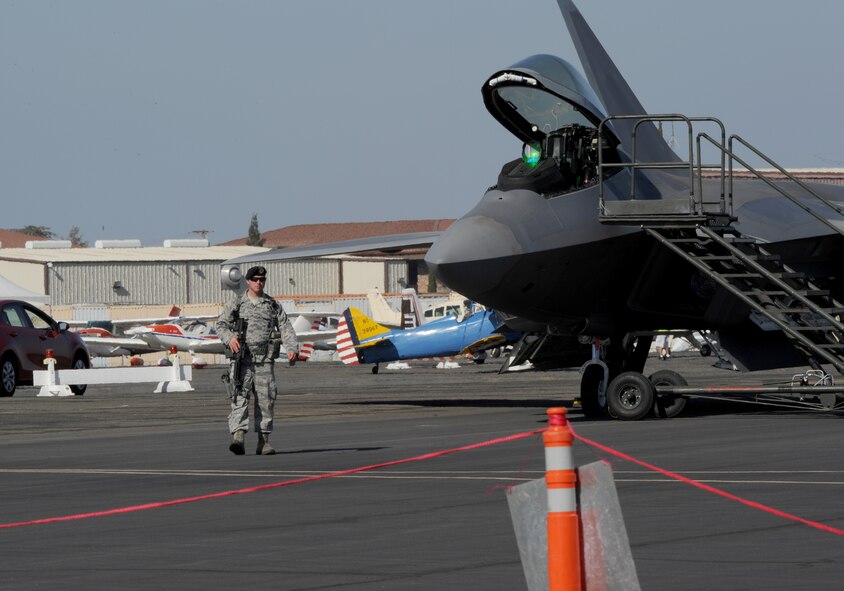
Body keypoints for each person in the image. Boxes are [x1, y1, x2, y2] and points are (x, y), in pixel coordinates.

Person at [216, 265, 298, 455]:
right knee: (239, 396)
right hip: (241, 360)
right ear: (248, 281)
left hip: (264, 360)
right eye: (255, 280)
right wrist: (230, 338)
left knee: (265, 400)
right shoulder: (236, 303)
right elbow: (220, 325)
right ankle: (238, 437)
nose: (259, 283)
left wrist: (292, 348)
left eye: (262, 280)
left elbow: (285, 327)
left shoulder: (272, 305)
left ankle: (264, 441)